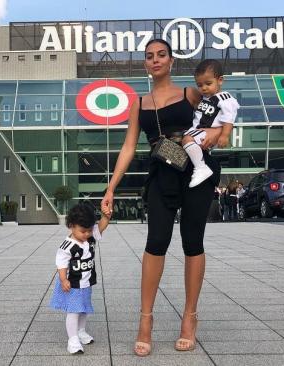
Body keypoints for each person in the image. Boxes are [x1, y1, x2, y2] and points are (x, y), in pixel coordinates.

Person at [101, 39, 222, 357]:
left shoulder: (190, 94)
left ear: (171, 62)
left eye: (161, 55)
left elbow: (218, 119)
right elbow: (129, 147)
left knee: (192, 241)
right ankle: (146, 320)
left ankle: (189, 317)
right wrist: (111, 188)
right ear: (146, 64)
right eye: (149, 57)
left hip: (196, 170)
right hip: (162, 172)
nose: (155, 60)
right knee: (156, 242)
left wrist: (213, 136)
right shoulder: (139, 103)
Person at [49, 202, 111, 354]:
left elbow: (101, 226)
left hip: (86, 282)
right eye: (83, 231)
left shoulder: (89, 237)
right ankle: (73, 339)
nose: (87, 234)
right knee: (74, 311)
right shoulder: (67, 246)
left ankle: (81, 331)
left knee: (83, 309)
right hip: (73, 284)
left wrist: (106, 216)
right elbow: (61, 264)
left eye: (90, 230)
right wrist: (64, 280)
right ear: (71, 225)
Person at [182, 59, 240, 188]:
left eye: (208, 83)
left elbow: (229, 117)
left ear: (220, 80)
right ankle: (199, 166)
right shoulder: (204, 99)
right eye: (200, 85)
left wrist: (224, 135)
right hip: (199, 130)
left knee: (186, 140)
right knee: (185, 140)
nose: (204, 88)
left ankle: (201, 168)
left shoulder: (224, 98)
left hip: (205, 131)